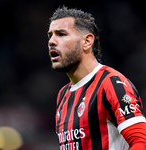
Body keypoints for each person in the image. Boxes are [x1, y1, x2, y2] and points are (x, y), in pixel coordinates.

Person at [47, 6, 146, 150]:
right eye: (50, 36)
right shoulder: (63, 95)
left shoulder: (111, 83)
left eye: (61, 34)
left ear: (87, 41)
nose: (51, 41)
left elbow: (141, 142)